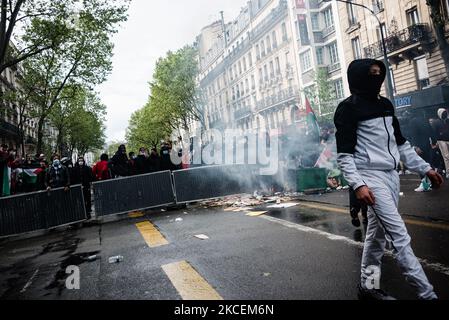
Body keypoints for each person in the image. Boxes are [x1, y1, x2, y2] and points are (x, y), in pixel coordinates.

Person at [334, 59, 443, 300]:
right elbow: (344, 155)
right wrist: (359, 184)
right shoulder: (347, 109)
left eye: (379, 73)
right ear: (359, 77)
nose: (377, 78)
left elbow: (401, 144)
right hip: (370, 177)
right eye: (371, 74)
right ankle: (427, 294)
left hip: (392, 176)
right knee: (400, 236)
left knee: (376, 235)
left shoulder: (385, 105)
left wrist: (426, 169)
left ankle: (368, 287)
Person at [434, 108, 449, 178]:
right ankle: (448, 172)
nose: (445, 114)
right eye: (443, 113)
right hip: (441, 140)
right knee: (446, 156)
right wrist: (436, 142)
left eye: (445, 112)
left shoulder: (447, 120)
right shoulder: (436, 122)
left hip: (447, 139)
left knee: (447, 156)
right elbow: (435, 133)